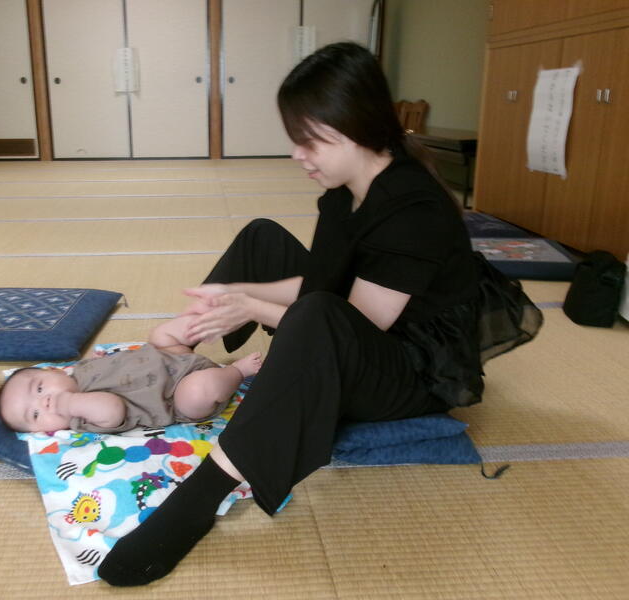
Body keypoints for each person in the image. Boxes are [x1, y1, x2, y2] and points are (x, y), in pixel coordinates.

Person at [97, 42, 542, 586]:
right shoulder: (342, 190)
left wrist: (251, 305)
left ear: (357, 128)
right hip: (358, 333)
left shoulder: (414, 207)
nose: (297, 155)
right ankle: (172, 363)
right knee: (262, 238)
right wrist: (236, 290)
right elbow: (318, 283)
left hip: (414, 374)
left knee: (315, 317)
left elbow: (349, 319)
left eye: (311, 140)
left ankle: (203, 495)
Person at [0, 314, 262, 434]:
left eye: (39, 388)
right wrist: (67, 403)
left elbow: (114, 364)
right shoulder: (81, 419)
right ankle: (236, 372)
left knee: (161, 334)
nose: (44, 402)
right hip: (176, 396)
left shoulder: (78, 370)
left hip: (168, 355)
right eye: (35, 415)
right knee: (200, 391)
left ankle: (216, 320)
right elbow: (112, 410)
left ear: (53, 370)